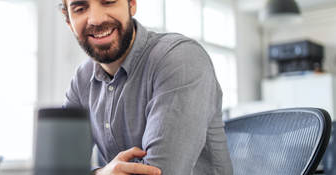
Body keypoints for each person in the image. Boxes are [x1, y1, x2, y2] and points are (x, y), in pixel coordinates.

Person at [60, 0, 234, 174]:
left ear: (132, 4)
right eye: (80, 9)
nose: (96, 20)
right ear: (69, 21)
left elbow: (160, 172)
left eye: (108, 2)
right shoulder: (83, 78)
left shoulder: (180, 59)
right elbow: (60, 166)